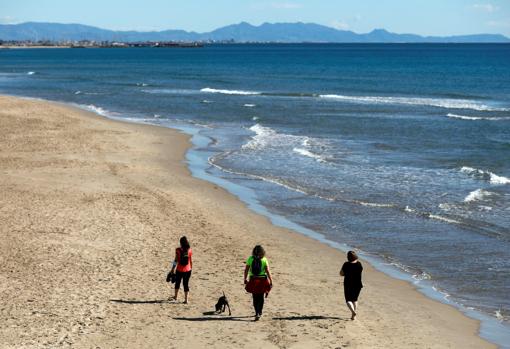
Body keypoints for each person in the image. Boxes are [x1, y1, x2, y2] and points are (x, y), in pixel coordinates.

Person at [244, 245, 273, 321]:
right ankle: (259, 312)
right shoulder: (264, 259)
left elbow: (246, 270)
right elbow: (267, 271)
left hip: (253, 279)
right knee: (261, 297)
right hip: (262, 280)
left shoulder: (250, 259)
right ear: (262, 252)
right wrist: (271, 281)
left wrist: (245, 278)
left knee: (255, 297)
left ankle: (257, 312)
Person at [340, 250, 363, 320]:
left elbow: (341, 274)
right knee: (355, 300)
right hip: (358, 284)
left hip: (348, 284)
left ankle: (353, 312)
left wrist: (346, 273)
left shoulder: (346, 264)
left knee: (348, 300)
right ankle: (354, 315)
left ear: (348, 257)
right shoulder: (359, 264)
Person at [170, 236, 192, 304]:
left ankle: (176, 297)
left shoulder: (178, 250)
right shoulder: (190, 250)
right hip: (188, 270)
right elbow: (190, 260)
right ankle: (186, 300)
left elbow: (176, 260)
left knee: (177, 283)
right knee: (186, 284)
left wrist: (172, 269)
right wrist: (191, 268)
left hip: (179, 269)